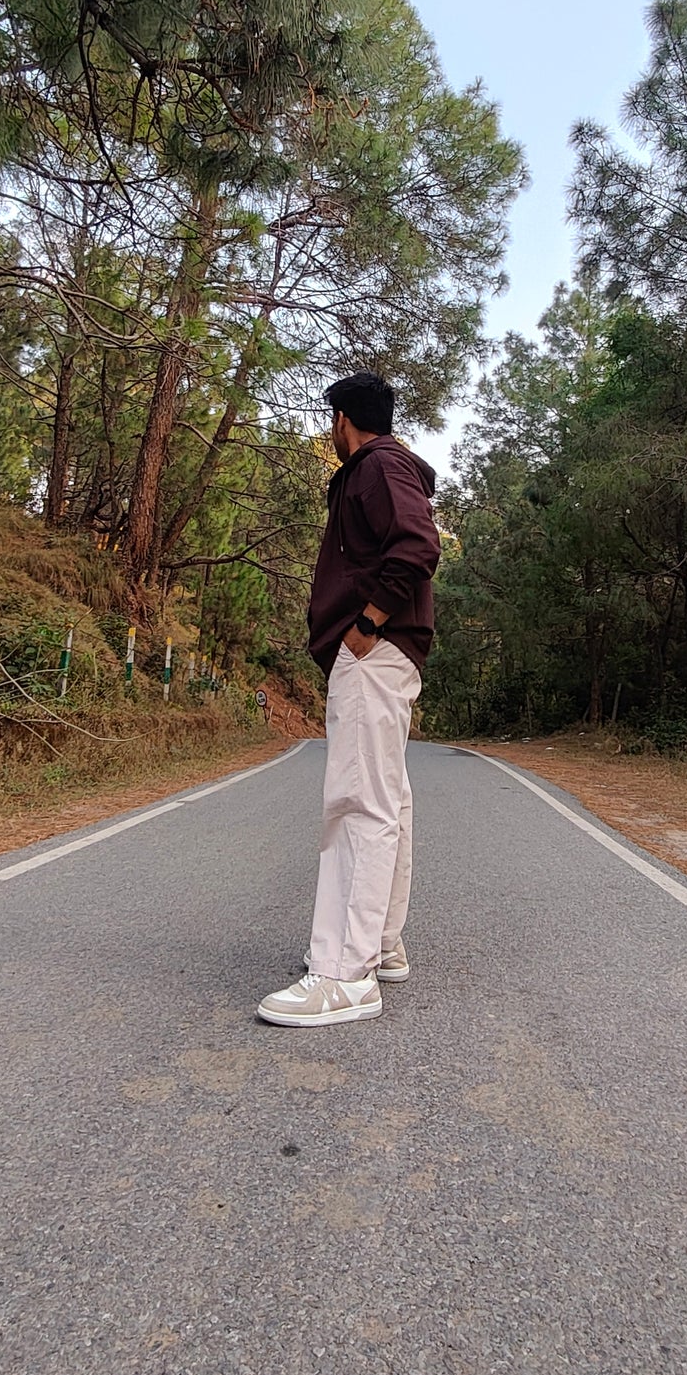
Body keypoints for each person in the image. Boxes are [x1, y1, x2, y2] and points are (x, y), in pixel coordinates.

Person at [257, 371, 441, 1027]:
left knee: (358, 800)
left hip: (375, 650)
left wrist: (366, 623)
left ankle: (343, 973)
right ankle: (380, 945)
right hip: (390, 652)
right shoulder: (390, 468)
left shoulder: (377, 466)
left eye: (329, 421)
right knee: (386, 799)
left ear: (342, 420)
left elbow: (419, 545)